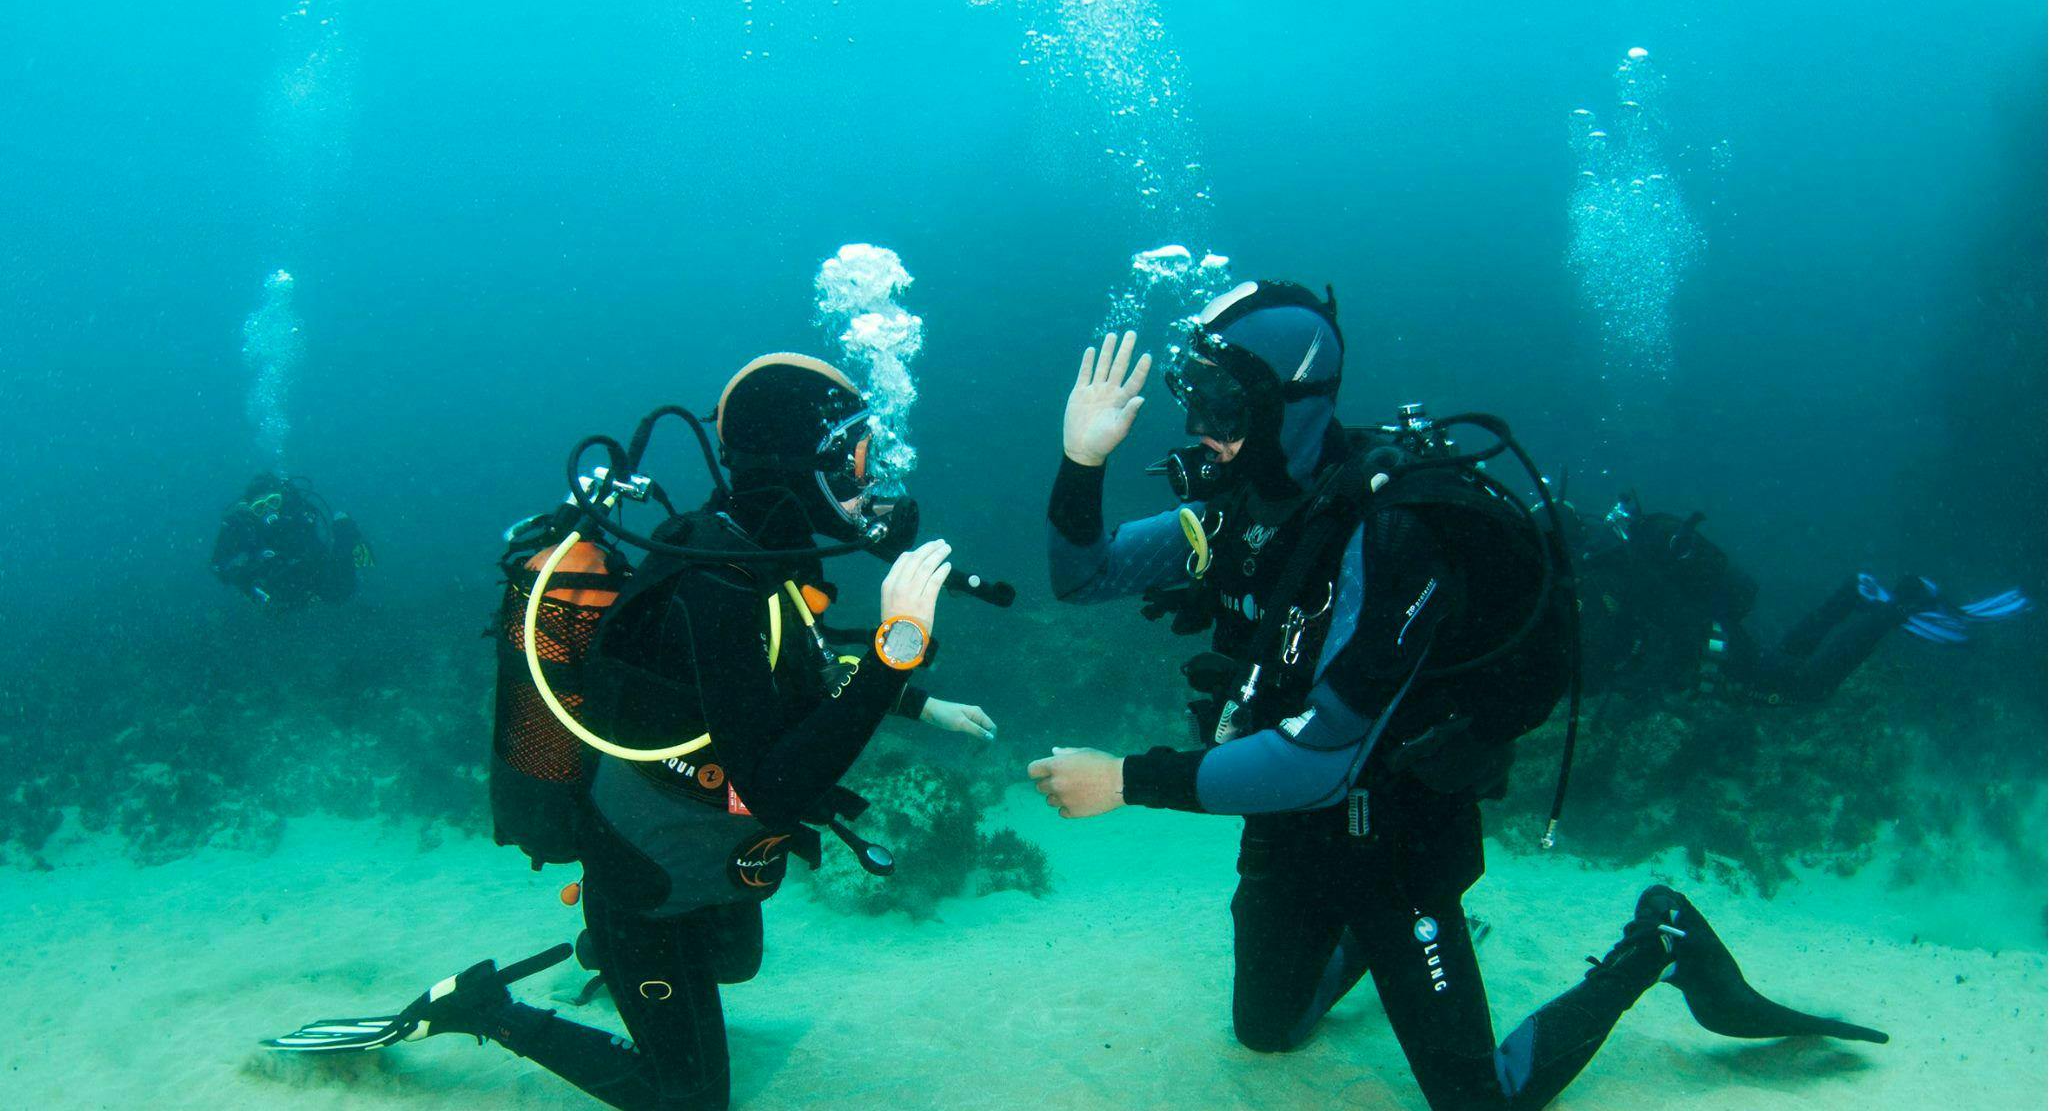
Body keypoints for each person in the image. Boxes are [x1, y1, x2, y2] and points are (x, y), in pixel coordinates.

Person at [1026, 284, 1887, 1110]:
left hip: (1395, 836)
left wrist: (1128, 780)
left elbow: (1321, 760)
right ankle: (1380, 951)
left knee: (1478, 1103)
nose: (1199, 432)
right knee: (1267, 1031)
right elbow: (1083, 574)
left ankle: (1656, 942)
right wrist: (1082, 459)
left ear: (1288, 402)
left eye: (1221, 405)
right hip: (1285, 822)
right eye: (1193, 399)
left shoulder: (1396, 530)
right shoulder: (1237, 513)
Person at [266, 353, 997, 1109]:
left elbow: (798, 671)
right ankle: (488, 1009)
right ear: (794, 466)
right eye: (852, 461)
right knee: (690, 1100)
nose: (868, 483)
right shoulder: (714, 583)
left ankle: (614, 964)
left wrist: (915, 701)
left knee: (736, 962)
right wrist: (896, 649)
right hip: (645, 877)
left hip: (706, 850)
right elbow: (776, 789)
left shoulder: (761, 561)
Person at [1575, 494, 2031, 705]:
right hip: (1710, 631)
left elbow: (1623, 647)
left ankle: (1896, 609)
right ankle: (1851, 594)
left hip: (1706, 641)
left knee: (1805, 688)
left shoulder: (1600, 576)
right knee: (1780, 660)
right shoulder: (1607, 564)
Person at [210, 473, 370, 608]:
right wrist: (240, 575)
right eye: (259, 507)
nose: (270, 511)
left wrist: (345, 536)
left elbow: (318, 554)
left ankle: (346, 534)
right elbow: (218, 565)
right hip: (274, 589)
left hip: (310, 573)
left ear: (282, 498)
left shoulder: (296, 512)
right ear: (251, 511)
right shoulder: (247, 529)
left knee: (339, 592)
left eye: (274, 501)